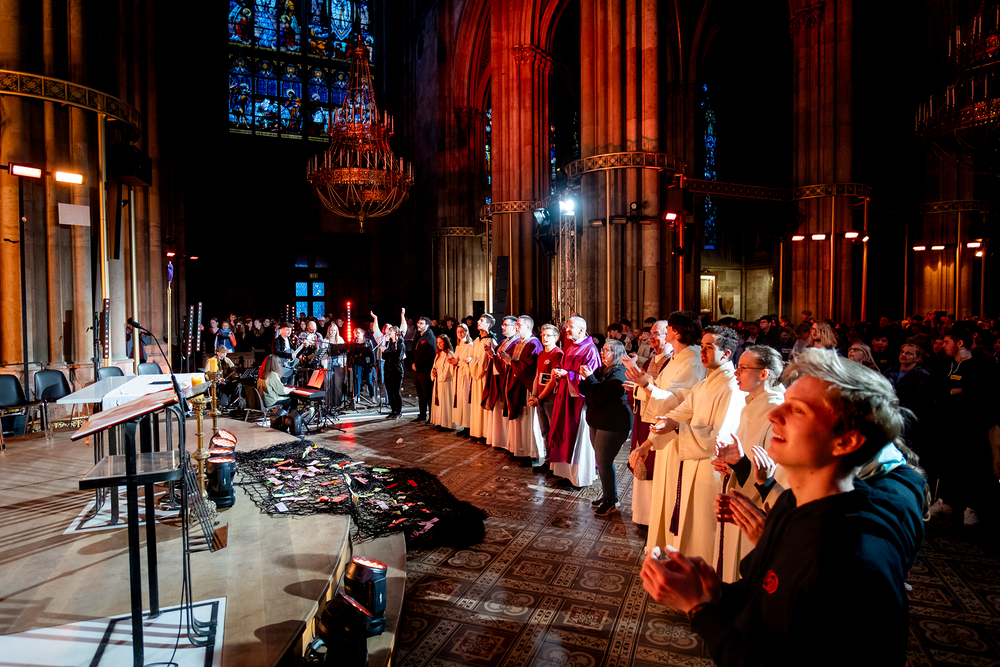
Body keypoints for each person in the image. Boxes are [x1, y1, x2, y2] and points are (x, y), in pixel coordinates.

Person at [641, 348, 921, 667]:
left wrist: (698, 609)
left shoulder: (849, 562)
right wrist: (715, 592)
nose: (775, 415)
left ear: (846, 441)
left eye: (799, 410)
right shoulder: (791, 504)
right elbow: (764, 601)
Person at [642, 325, 744, 562]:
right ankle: (687, 569)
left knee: (704, 530)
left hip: (711, 470)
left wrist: (678, 427)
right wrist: (650, 441)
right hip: (692, 465)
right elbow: (679, 413)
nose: (703, 352)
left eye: (710, 347)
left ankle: (703, 575)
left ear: (727, 353)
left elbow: (720, 438)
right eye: (702, 346)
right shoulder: (704, 384)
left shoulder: (731, 388)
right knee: (689, 526)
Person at [627, 312, 706, 538]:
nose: (663, 331)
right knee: (662, 487)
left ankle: (673, 538)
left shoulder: (693, 362)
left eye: (668, 327)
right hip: (664, 432)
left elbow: (680, 402)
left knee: (673, 490)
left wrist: (646, 385)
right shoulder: (676, 359)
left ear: (677, 332)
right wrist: (643, 384)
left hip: (679, 434)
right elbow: (662, 389)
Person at [711, 344, 786, 582]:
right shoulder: (753, 404)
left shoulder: (775, 412)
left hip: (757, 510)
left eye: (743, 368)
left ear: (763, 374)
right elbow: (746, 458)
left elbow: (772, 472)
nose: (736, 372)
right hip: (742, 495)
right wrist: (730, 464)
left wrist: (740, 465)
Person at [625, 318, 675, 529]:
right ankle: (642, 514)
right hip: (643, 419)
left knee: (655, 466)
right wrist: (634, 389)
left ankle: (654, 517)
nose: (652, 338)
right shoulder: (649, 362)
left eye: (657, 334)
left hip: (659, 421)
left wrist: (640, 387)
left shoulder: (672, 363)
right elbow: (644, 388)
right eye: (651, 334)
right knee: (640, 462)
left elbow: (669, 396)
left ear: (669, 336)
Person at [579, 338, 632, 516]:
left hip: (613, 423)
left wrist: (590, 378)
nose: (602, 353)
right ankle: (608, 495)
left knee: (604, 461)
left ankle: (610, 501)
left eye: (606, 350)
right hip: (599, 420)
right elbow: (587, 390)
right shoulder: (604, 370)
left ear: (616, 354)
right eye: (602, 349)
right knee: (603, 461)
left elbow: (602, 396)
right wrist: (585, 378)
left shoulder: (620, 373)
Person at [549, 317, 601, 488]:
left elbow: (591, 378)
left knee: (578, 438)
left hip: (579, 403)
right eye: (566, 327)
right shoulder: (571, 347)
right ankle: (566, 474)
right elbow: (564, 367)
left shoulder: (590, 350)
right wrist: (559, 373)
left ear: (581, 330)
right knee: (563, 433)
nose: (566, 329)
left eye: (570, 327)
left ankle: (579, 478)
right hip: (565, 398)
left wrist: (568, 375)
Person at [505, 315, 543, 462]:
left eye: (519, 325)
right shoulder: (519, 343)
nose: (516, 327)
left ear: (528, 327)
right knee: (519, 419)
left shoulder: (533, 343)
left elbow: (529, 368)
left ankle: (531, 453)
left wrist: (511, 363)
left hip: (526, 386)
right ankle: (519, 450)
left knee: (528, 421)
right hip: (517, 384)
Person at [527, 323, 563, 470]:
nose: (545, 338)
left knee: (553, 432)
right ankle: (548, 461)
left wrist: (540, 398)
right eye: (543, 335)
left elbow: (553, 380)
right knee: (545, 432)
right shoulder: (542, 353)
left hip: (550, 399)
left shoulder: (558, 354)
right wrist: (534, 395)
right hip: (540, 398)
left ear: (556, 337)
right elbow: (537, 376)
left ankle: (555, 464)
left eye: (548, 335)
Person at [486, 316, 521, 449]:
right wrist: (492, 355)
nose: (502, 326)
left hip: (507, 380)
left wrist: (495, 357)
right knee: (498, 412)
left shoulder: (517, 343)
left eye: (506, 324)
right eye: (503, 324)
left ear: (515, 327)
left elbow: (510, 363)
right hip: (497, 380)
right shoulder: (502, 342)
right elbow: (498, 360)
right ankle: (499, 440)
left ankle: (507, 442)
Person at [467, 313, 497, 441]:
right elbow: (471, 357)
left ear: (488, 324)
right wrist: (470, 361)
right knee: (476, 405)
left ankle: (485, 434)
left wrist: (472, 361)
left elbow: (487, 363)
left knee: (484, 404)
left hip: (485, 378)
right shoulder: (476, 341)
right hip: (476, 377)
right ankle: (476, 432)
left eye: (481, 320)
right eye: (478, 320)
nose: (478, 322)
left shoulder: (490, 341)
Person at [410, 317, 437, 423]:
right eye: (418, 323)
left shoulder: (430, 337)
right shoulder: (418, 336)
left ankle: (432, 416)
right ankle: (422, 414)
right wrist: (412, 363)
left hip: (425, 370)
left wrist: (418, 364)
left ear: (427, 325)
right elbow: (413, 351)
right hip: (417, 371)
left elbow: (430, 355)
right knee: (420, 394)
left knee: (427, 395)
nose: (418, 325)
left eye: (421, 323)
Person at [450, 323, 475, 436]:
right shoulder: (458, 346)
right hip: (458, 376)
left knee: (466, 401)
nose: (459, 334)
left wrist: (457, 362)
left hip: (466, 377)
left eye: (461, 332)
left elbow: (469, 362)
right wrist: (453, 362)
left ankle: (469, 427)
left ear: (466, 332)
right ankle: (464, 426)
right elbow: (456, 359)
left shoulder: (470, 345)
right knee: (461, 402)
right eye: (457, 332)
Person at [430, 335, 455, 429]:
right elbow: (435, 366)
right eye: (437, 343)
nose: (439, 345)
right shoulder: (438, 354)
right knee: (439, 402)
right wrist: (434, 372)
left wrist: (438, 372)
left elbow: (448, 370)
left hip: (446, 382)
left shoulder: (449, 354)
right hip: (438, 382)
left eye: (441, 343)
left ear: (446, 342)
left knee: (445, 402)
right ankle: (440, 422)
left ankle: (447, 424)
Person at [380, 325, 405, 419]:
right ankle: (393, 410)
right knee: (389, 391)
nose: (388, 332)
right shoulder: (389, 343)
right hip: (388, 370)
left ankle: (399, 411)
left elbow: (397, 358)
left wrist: (386, 352)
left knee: (396, 391)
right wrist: (385, 352)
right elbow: (385, 357)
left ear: (396, 333)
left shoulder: (400, 344)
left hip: (396, 370)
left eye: (390, 331)